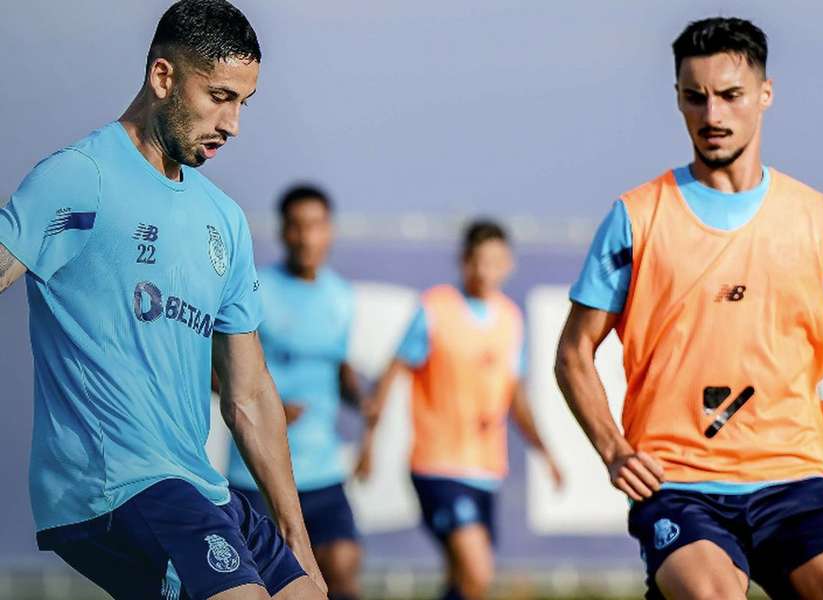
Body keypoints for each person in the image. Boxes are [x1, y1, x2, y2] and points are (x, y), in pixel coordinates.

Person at [555, 16, 823, 600]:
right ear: (679, 101)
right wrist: (614, 451)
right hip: (679, 482)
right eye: (696, 98)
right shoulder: (636, 218)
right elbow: (573, 354)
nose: (713, 115)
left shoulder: (819, 219)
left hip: (793, 476)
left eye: (730, 96)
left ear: (765, 95)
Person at [0, 1, 327, 598]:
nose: (233, 124)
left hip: (198, 487)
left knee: (305, 595)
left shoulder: (223, 221)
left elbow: (249, 395)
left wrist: (296, 539)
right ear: (163, 78)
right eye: (220, 96)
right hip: (112, 486)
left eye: (243, 103)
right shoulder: (80, 177)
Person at [356, 220, 563, 600]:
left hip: (486, 469)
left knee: (463, 581)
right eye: (478, 261)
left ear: (509, 264)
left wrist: (544, 451)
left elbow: (516, 395)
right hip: (438, 465)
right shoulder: (435, 309)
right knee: (478, 570)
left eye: (495, 262)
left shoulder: (510, 319)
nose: (485, 271)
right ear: (463, 261)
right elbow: (393, 373)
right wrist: (367, 444)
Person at [227, 185, 364, 600]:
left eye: (316, 226)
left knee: (341, 570)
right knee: (268, 589)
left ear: (330, 232)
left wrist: (363, 400)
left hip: (322, 470)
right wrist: (269, 407)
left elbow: (338, 368)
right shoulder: (256, 289)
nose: (307, 237)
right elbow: (217, 369)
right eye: (297, 227)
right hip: (257, 470)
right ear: (283, 232)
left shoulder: (341, 297)